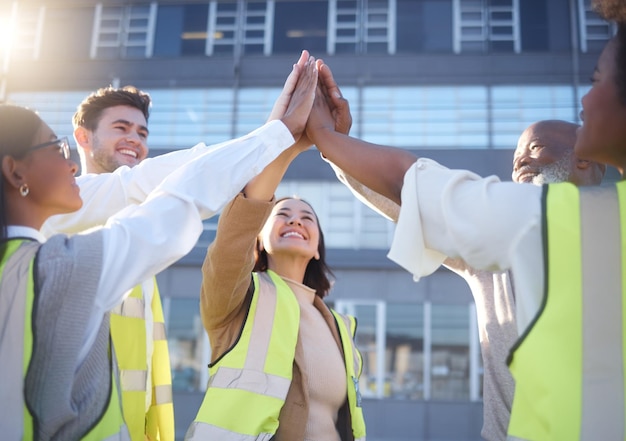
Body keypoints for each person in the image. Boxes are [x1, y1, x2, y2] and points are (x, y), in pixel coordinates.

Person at [304, 5, 626, 435]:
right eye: (515, 162)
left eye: (536, 150)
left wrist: (328, 138)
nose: (520, 167)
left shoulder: (534, 219)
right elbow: (405, 200)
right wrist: (338, 150)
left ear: (585, 161)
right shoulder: (501, 253)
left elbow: (409, 182)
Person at [0, 52, 317, 440]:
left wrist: (274, 135)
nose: (68, 165)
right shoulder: (62, 267)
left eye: (142, 132)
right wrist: (275, 134)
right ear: (15, 172)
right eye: (55, 149)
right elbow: (174, 198)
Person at [185, 64, 366, 440]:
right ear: (260, 236)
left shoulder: (341, 329)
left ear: (317, 249)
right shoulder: (238, 301)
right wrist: (288, 139)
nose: (296, 221)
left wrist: (331, 142)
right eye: (282, 214)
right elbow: (241, 223)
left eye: (307, 218)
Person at [71, 85, 173, 441]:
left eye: (142, 132)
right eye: (122, 127)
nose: (135, 139)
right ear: (83, 137)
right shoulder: (61, 211)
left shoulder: (138, 234)